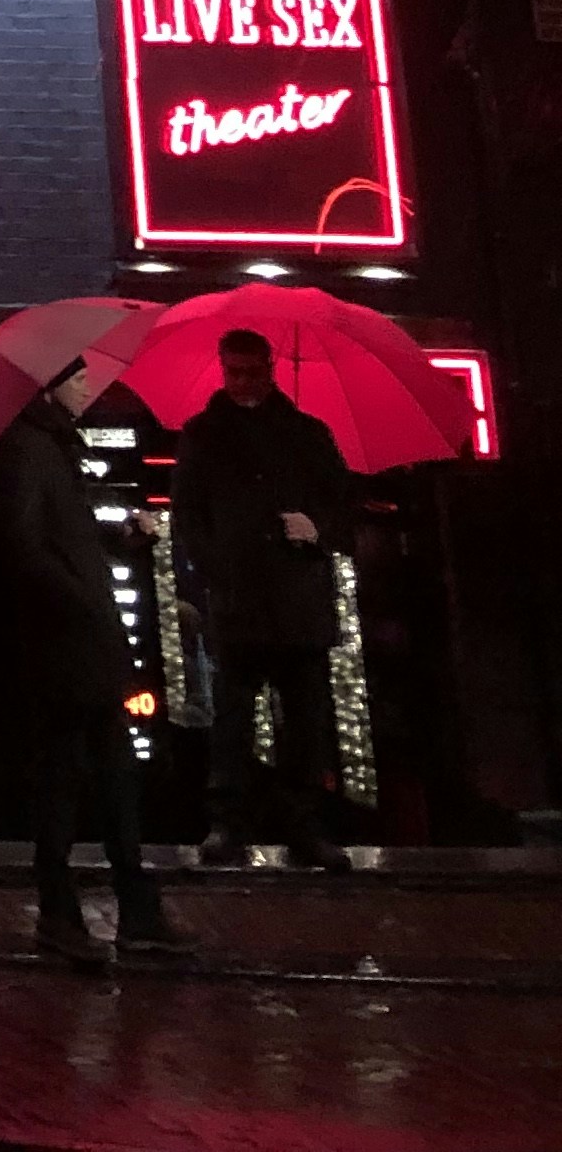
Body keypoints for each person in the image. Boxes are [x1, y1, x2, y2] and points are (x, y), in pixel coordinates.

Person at [0, 357, 188, 966]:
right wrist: (80, 598)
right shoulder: (26, 448)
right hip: (65, 642)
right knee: (71, 777)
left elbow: (60, 541)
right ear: (48, 384)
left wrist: (124, 540)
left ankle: (117, 910)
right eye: (78, 378)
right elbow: (25, 545)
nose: (90, 389)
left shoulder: (53, 446)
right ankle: (70, 910)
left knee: (105, 773)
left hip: (81, 639)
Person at [175, 326, 356, 871]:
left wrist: (317, 529)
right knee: (239, 717)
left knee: (298, 718)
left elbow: (345, 508)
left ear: (270, 369)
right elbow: (188, 514)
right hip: (247, 597)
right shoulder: (206, 435)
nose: (243, 382)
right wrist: (218, 569)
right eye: (235, 371)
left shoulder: (305, 434)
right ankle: (237, 822)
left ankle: (289, 824)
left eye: (251, 372)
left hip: (289, 598)